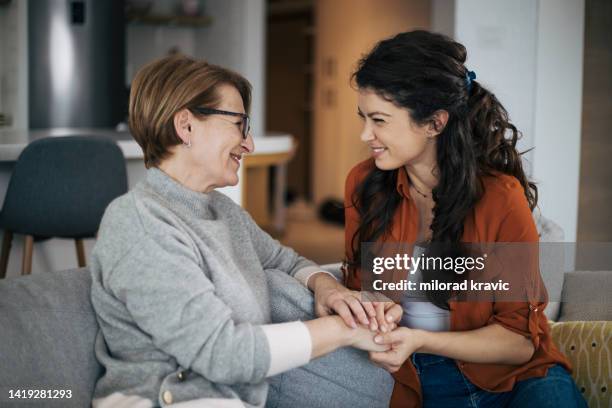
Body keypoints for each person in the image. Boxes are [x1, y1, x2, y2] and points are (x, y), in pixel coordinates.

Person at [89, 55, 399, 408]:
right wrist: (345, 331)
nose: (249, 144)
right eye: (239, 124)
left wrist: (327, 287)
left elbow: (284, 259)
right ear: (186, 126)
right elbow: (222, 354)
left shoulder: (222, 211)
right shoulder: (139, 223)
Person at [343, 30, 587, 407]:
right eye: (364, 118)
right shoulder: (364, 185)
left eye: (379, 120)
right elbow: (360, 288)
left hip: (512, 380)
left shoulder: (500, 198)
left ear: (435, 123)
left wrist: (422, 339)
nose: (365, 134)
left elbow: (519, 342)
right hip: (411, 379)